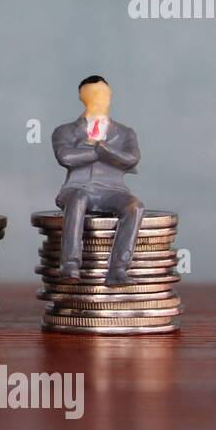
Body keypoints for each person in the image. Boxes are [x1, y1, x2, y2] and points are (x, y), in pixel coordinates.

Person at [51, 75, 144, 286]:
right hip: (76, 187)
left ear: (110, 96)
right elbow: (66, 157)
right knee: (79, 198)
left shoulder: (125, 133)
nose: (99, 98)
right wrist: (103, 153)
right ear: (82, 97)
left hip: (113, 190)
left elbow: (131, 159)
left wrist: (99, 147)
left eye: (103, 93)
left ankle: (118, 270)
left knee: (135, 206)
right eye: (93, 93)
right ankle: (70, 266)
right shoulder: (64, 131)